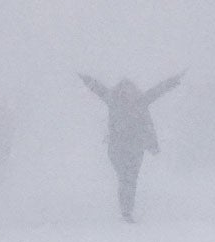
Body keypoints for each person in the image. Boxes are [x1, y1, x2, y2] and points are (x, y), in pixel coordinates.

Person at [79, 70, 185, 223]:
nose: (125, 93)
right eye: (123, 89)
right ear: (118, 91)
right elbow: (98, 88)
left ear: (134, 91)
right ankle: (126, 211)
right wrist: (84, 77)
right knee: (125, 178)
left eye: (128, 89)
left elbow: (158, 90)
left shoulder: (141, 101)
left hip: (135, 148)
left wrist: (174, 79)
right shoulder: (113, 100)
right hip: (117, 149)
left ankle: (126, 211)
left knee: (130, 179)